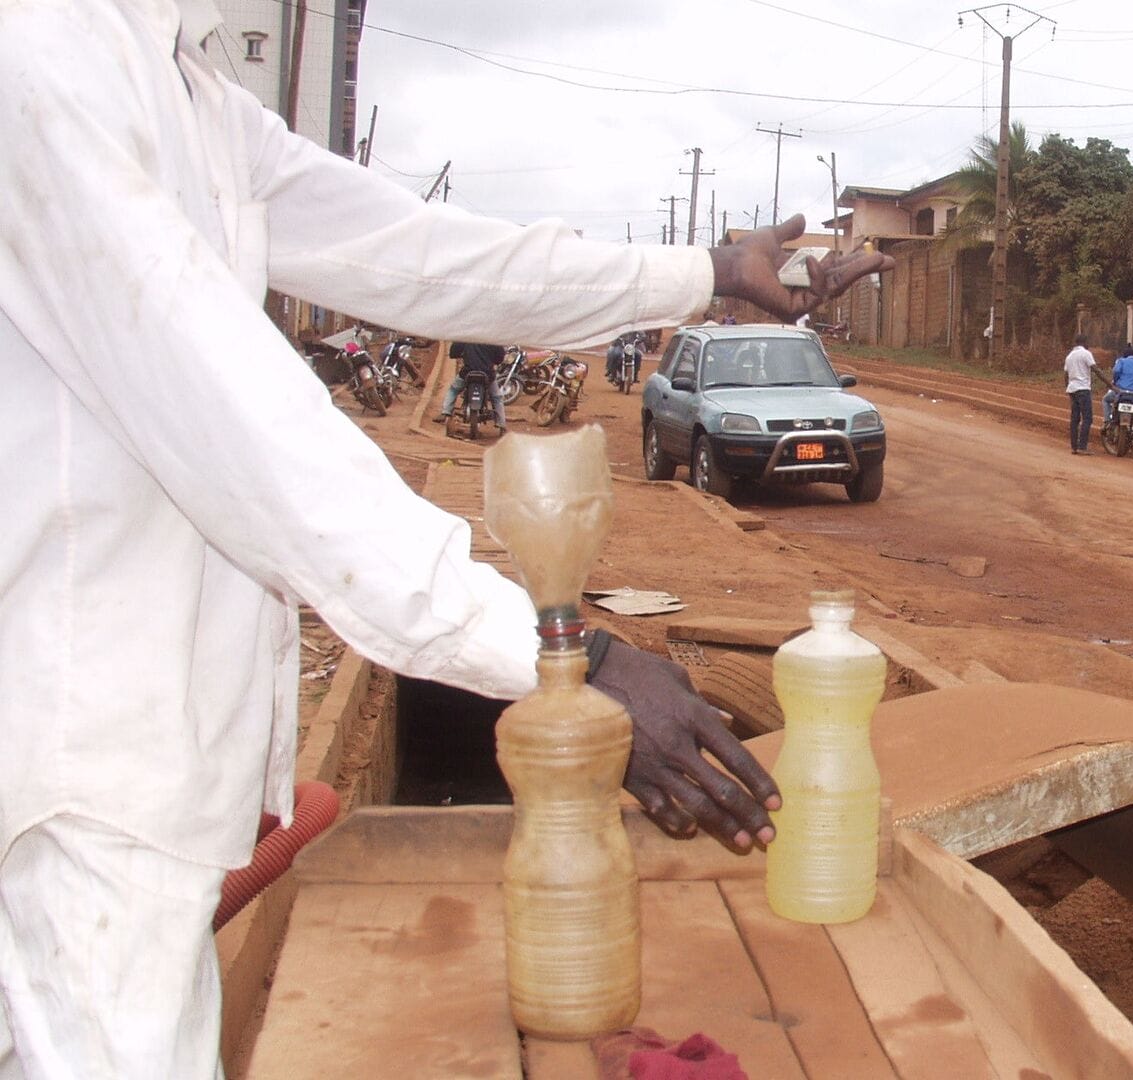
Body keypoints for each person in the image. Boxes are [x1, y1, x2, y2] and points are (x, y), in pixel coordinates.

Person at [0, 1, 894, 1075]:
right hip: (78, 749)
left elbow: (428, 257)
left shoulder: (186, 89)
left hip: (144, 746)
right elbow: (243, 427)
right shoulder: (42, 56)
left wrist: (706, 273)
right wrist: (565, 655)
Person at [437, 340, 510, 430]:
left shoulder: (467, 336)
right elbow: (499, 358)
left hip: (468, 373)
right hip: (487, 375)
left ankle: (445, 412)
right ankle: (501, 422)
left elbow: (454, 352)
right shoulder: (492, 339)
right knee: (496, 397)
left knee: (453, 390)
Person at [1062, 334, 1098, 454]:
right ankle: (1082, 447)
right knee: (1087, 418)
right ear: (1084, 342)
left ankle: (1074, 447)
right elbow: (1095, 369)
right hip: (1083, 389)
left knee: (1075, 419)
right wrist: (1111, 385)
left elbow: (1066, 375)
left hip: (1072, 390)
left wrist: (1068, 387)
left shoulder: (1069, 356)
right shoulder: (1086, 354)